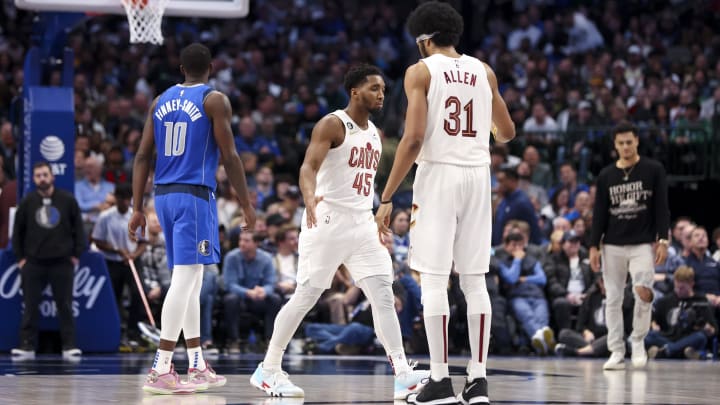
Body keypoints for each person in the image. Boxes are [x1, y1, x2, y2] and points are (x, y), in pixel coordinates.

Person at [250, 64, 428, 401]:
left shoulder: (374, 133)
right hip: (327, 219)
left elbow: (362, 184)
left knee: (383, 294)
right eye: (374, 88)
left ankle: (403, 373)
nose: (380, 95)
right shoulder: (332, 123)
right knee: (306, 295)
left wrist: (379, 214)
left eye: (383, 90)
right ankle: (269, 369)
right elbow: (308, 167)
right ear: (355, 91)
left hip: (362, 223)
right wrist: (307, 199)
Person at [375, 2, 515, 404]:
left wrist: (387, 195)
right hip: (477, 176)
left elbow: (414, 138)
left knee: (434, 279)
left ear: (423, 39)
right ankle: (479, 379)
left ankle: (439, 380)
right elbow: (506, 132)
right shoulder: (484, 71)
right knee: (474, 280)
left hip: (438, 175)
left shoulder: (420, 71)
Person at [128, 43, 255, 395]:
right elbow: (229, 156)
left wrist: (137, 207)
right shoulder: (214, 100)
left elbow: (141, 156)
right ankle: (161, 367)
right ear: (210, 68)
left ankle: (196, 362)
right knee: (185, 279)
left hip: (163, 196)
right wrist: (246, 204)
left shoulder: (159, 101)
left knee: (193, 279)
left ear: (181, 69)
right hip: (194, 196)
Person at [589, 120, 670, 370]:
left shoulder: (653, 169)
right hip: (611, 243)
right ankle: (616, 350)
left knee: (643, 292)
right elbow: (599, 213)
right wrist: (594, 245)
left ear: (636, 141)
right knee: (612, 299)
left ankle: (638, 341)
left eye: (629, 142)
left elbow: (661, 207)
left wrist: (663, 239)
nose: (625, 146)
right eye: (621, 143)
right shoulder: (606, 175)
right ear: (615, 145)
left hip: (642, 243)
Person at [11, 161, 85, 360]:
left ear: (52, 176)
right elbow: (17, 232)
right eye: (38, 176)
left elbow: (79, 228)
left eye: (45, 174)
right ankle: (27, 346)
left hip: (62, 262)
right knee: (30, 305)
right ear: (34, 179)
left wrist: (76, 255)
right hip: (33, 262)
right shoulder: (27, 202)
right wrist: (21, 259)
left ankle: (69, 345)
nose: (42, 178)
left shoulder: (67, 200)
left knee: (65, 305)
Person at [91, 182, 147, 344]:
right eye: (120, 198)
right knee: (112, 297)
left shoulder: (136, 215)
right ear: (115, 198)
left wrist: (133, 255)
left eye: (126, 198)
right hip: (113, 261)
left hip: (132, 261)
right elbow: (97, 240)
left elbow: (143, 242)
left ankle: (133, 331)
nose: (123, 202)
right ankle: (115, 331)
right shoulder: (105, 217)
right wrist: (116, 250)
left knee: (137, 294)